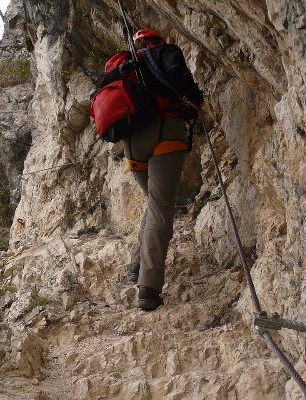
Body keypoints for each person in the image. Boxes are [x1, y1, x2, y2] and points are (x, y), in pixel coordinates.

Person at [124, 29, 204, 311]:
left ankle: (137, 264)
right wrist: (196, 100)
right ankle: (148, 287)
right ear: (156, 41)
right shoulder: (166, 52)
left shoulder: (127, 67)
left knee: (154, 202)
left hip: (132, 144)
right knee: (161, 207)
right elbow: (180, 78)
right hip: (165, 132)